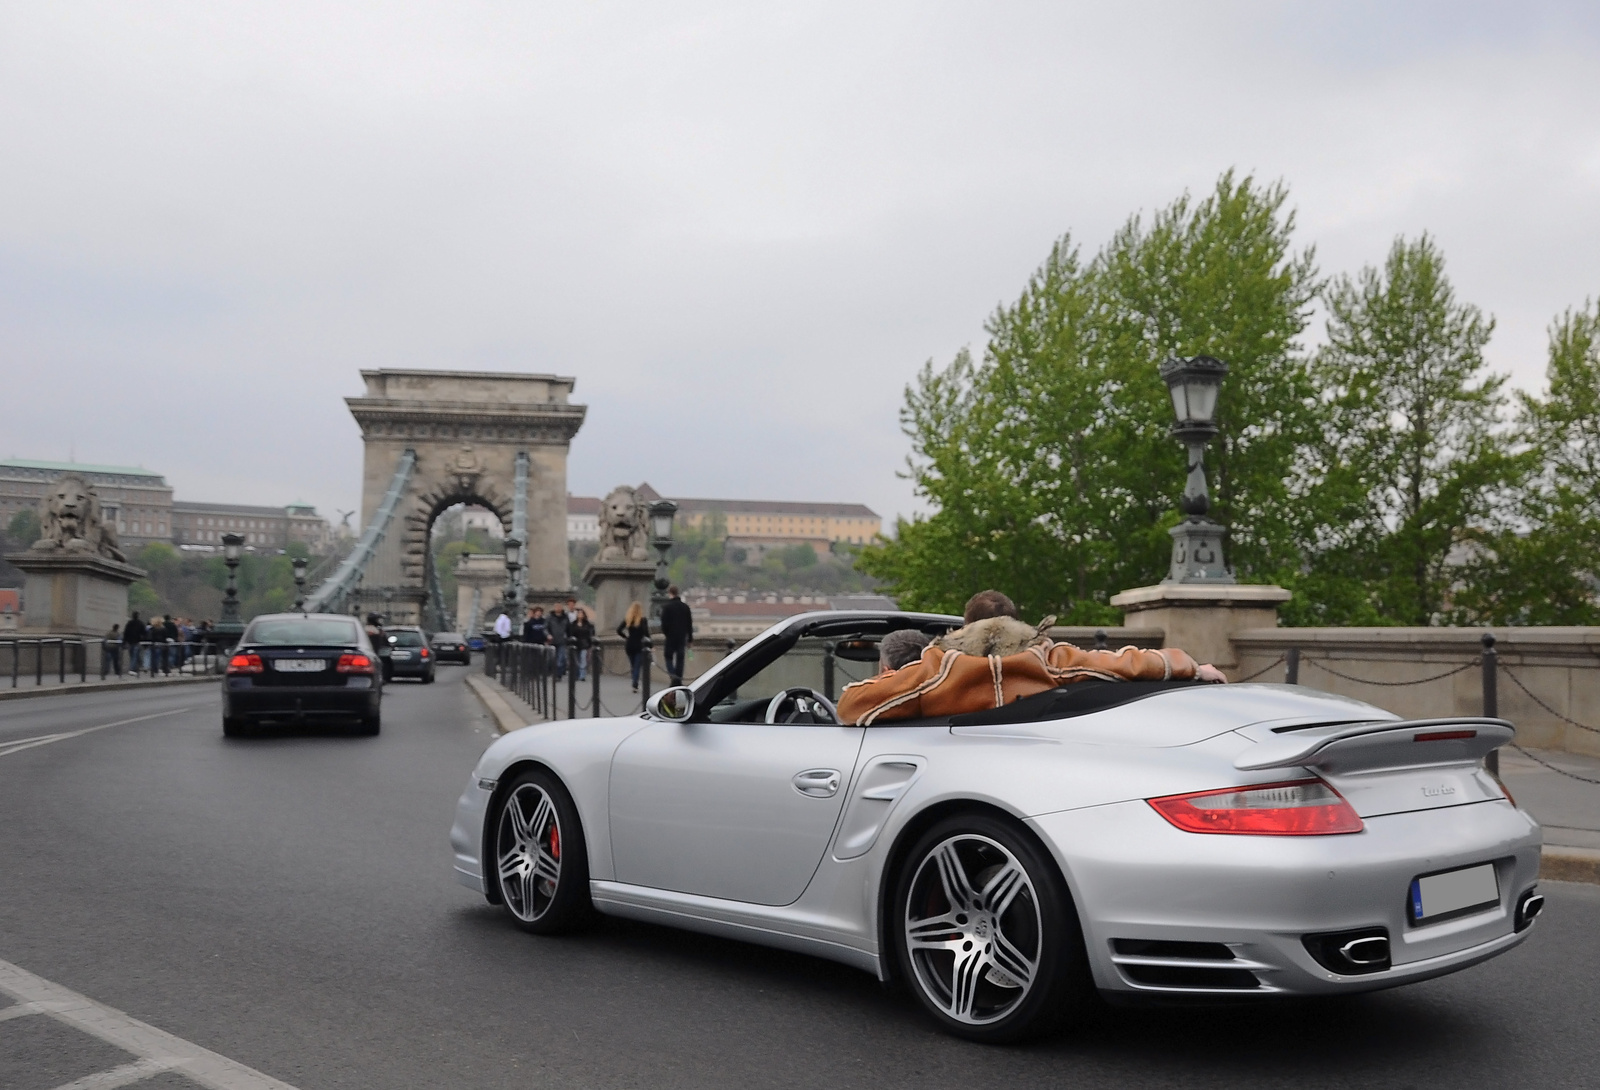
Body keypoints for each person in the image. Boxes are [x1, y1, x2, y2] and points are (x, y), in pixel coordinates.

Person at [835, 588, 1227, 725]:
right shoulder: (1052, 659)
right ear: (1018, 623)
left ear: (963, 627)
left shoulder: (936, 669)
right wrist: (1193, 665)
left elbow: (852, 705)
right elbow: (1129, 662)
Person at [660, 585, 693, 686]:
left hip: (670, 636)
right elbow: (689, 624)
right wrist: (690, 638)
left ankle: (672, 674)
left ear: (670, 593)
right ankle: (678, 680)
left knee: (668, 656)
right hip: (682, 636)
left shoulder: (667, 607)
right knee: (680, 658)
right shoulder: (685, 607)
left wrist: (667, 633)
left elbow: (664, 624)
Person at [616, 601, 650, 692]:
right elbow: (647, 634)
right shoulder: (643, 620)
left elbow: (618, 630)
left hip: (629, 644)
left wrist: (625, 637)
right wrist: (651, 645)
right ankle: (635, 684)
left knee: (633, 665)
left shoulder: (628, 620)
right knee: (637, 665)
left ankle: (634, 681)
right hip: (639, 645)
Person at [547, 599, 572, 678]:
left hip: (562, 640)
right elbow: (545, 628)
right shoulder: (550, 617)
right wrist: (548, 635)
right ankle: (554, 672)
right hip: (552, 641)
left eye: (559, 606)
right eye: (556, 606)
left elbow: (569, 629)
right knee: (552, 658)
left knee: (561, 659)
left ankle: (558, 673)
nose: (558, 608)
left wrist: (569, 638)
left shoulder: (565, 617)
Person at [570, 606, 595, 681]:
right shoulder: (573, 624)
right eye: (579, 613)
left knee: (583, 659)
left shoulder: (588, 624)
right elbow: (570, 633)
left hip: (584, 644)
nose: (580, 615)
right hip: (575, 644)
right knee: (576, 660)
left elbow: (591, 633)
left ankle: (582, 675)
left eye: (581, 613)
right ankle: (576, 674)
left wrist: (590, 642)